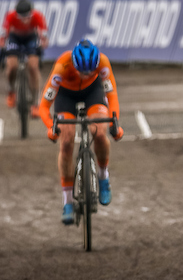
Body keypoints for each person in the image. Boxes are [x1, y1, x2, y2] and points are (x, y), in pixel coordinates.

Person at [39, 39, 124, 225]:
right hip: (66, 95)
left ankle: (103, 177)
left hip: (92, 93)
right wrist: (50, 127)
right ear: (74, 65)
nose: (85, 75)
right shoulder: (63, 65)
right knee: (67, 140)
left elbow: (112, 96)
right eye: (81, 72)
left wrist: (115, 125)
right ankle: (68, 202)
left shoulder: (102, 62)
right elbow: (44, 107)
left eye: (89, 72)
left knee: (100, 132)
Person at [0, 0, 48, 118]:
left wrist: (43, 42)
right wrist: (2, 44)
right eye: (22, 17)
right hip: (15, 37)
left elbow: (44, 36)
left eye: (27, 17)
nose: (25, 20)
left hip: (31, 38)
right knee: (12, 66)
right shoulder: (10, 16)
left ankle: (35, 102)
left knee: (33, 67)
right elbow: (3, 35)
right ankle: (11, 90)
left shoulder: (37, 16)